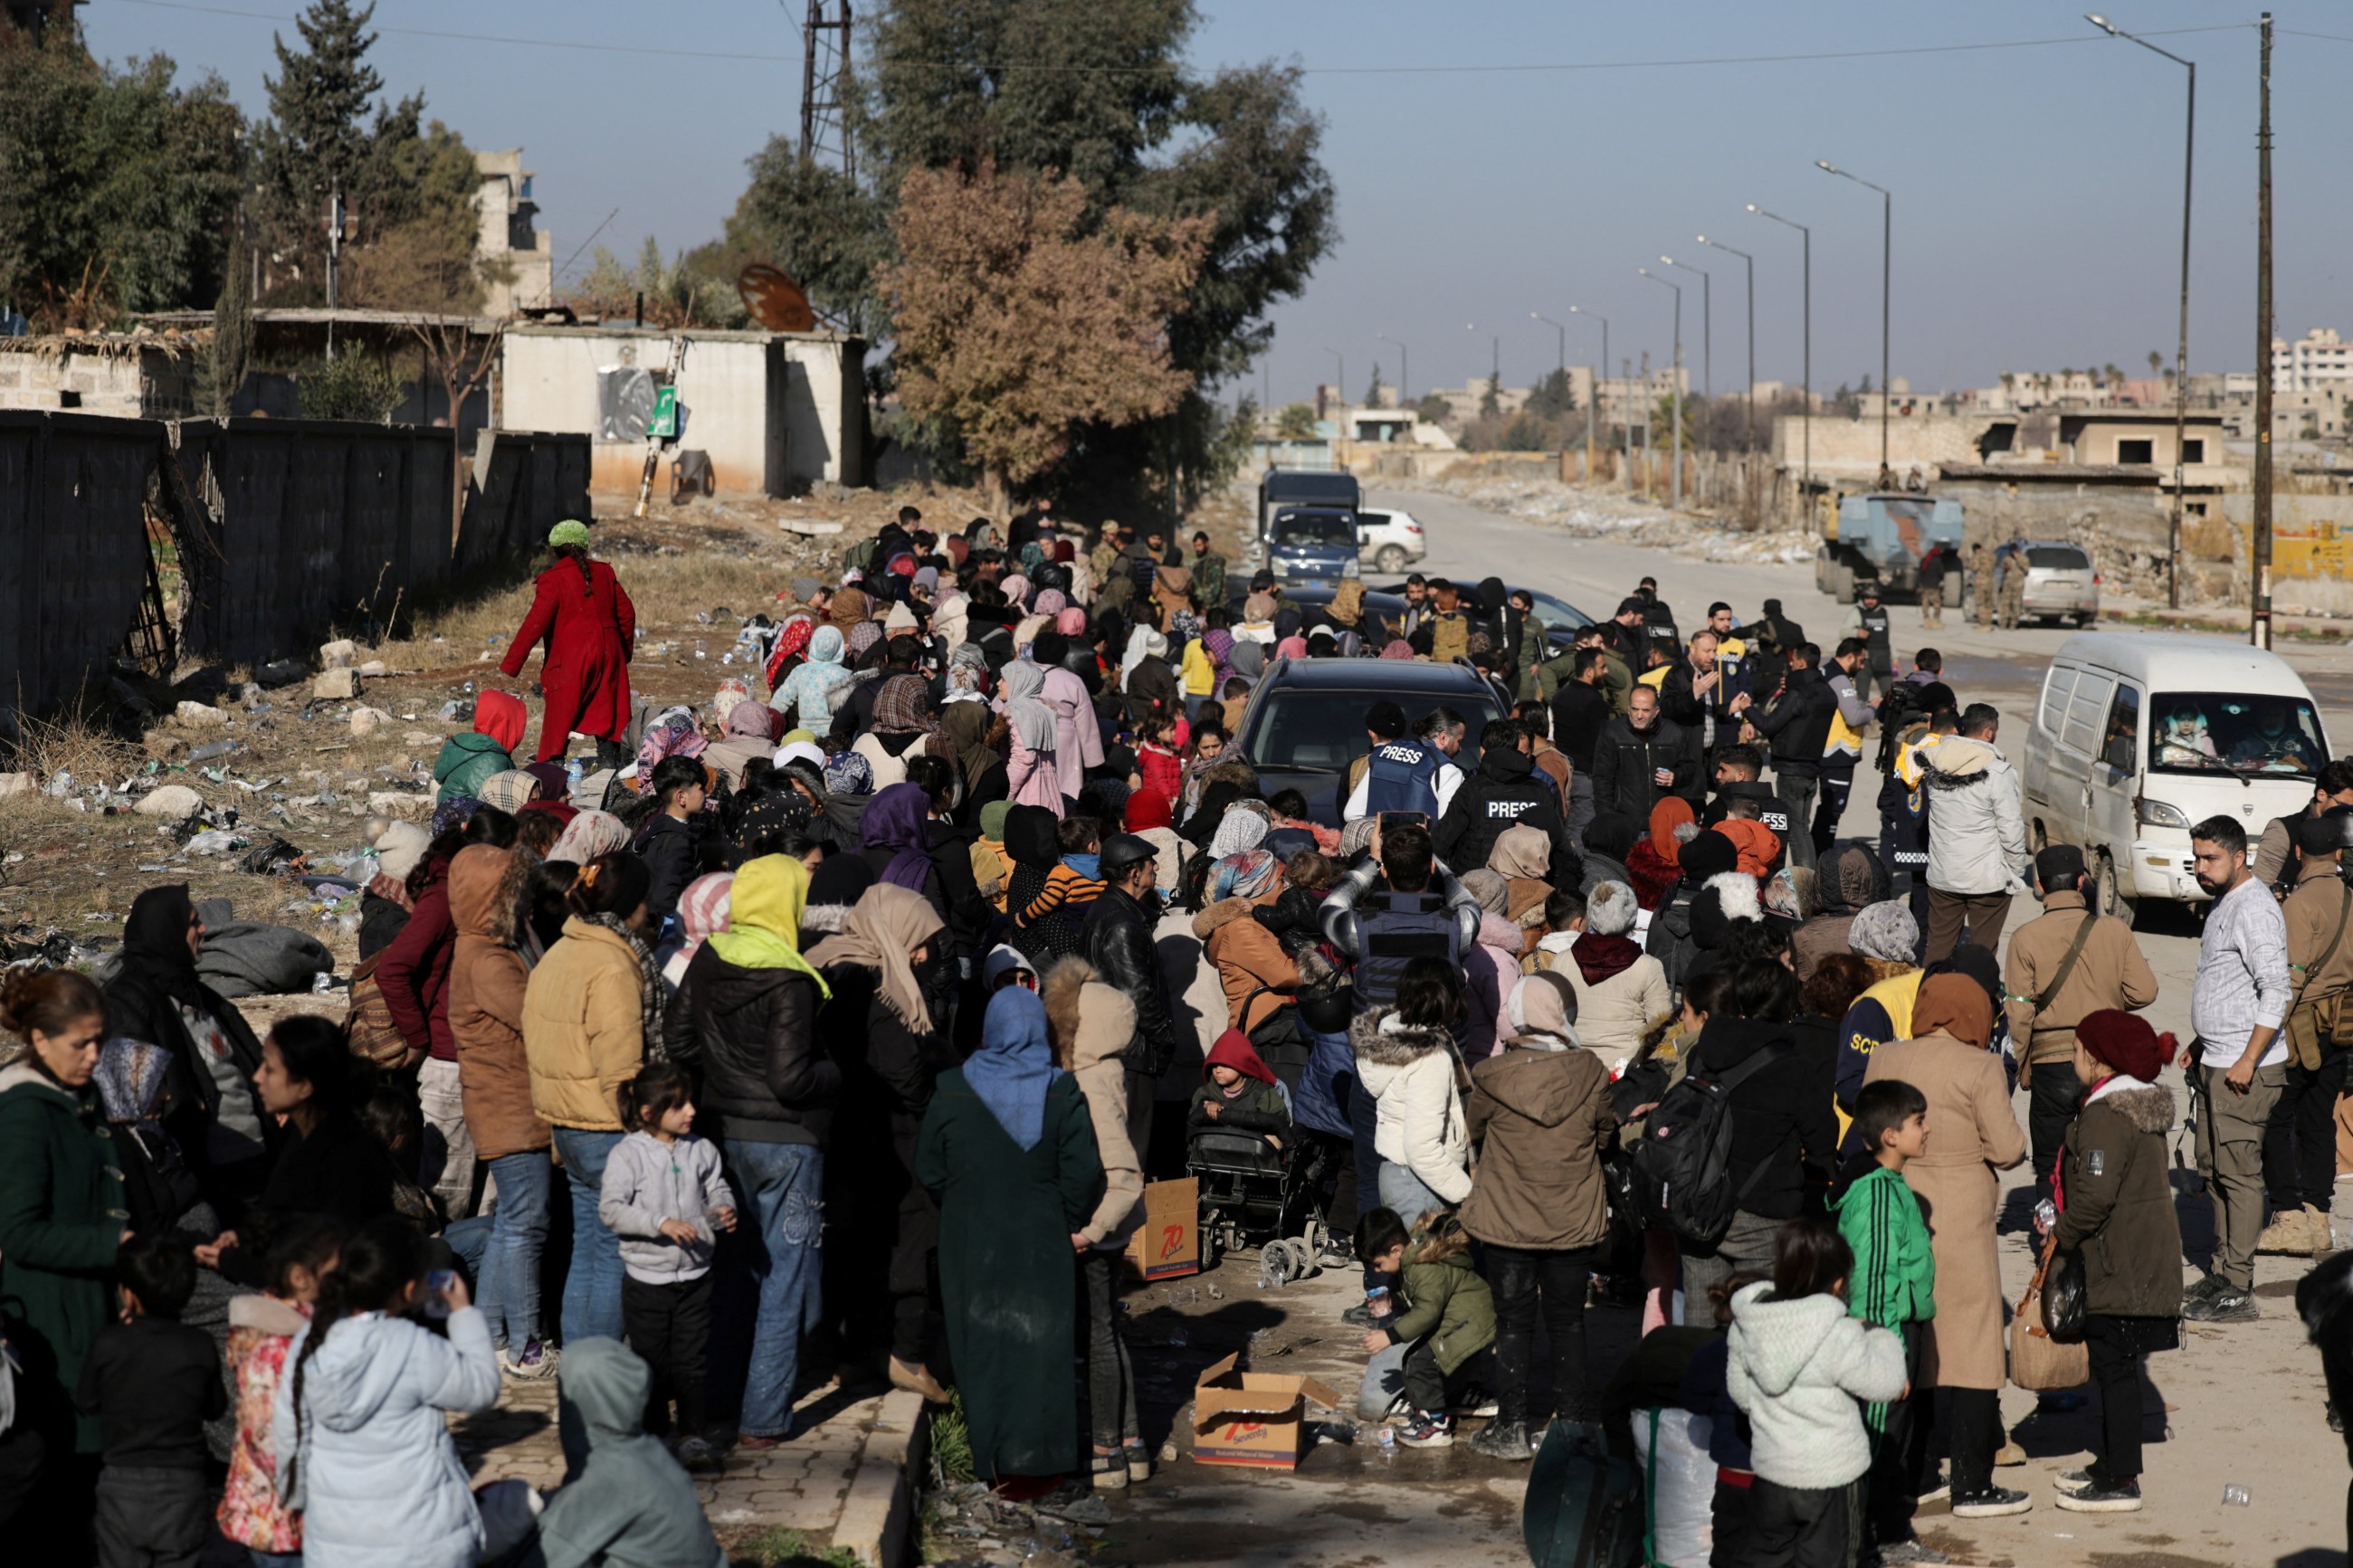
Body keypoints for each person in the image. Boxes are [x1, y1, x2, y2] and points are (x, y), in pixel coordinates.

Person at [663, 854, 834, 1447]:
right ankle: (763, 1417)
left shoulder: (711, 956)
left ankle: (715, 1405)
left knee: (731, 1274)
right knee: (784, 1281)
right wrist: (833, 1075)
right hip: (786, 1143)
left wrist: (715, 1077)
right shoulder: (791, 977)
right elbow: (791, 1079)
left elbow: (677, 1036)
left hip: (721, 1134)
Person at [919, 986, 1104, 1485]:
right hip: (1042, 1238)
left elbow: (929, 1169)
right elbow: (1085, 1173)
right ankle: (1042, 1466)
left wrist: (962, 1205)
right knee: (1041, 1349)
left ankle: (990, 1462)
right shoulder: (1062, 1091)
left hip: (969, 1239)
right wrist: (1065, 1218)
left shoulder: (953, 1087)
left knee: (979, 1345)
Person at [1862, 973, 2030, 1518]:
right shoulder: (1980, 1066)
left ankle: (1917, 1471)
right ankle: (1973, 1482)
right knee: (1974, 1345)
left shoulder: (1885, 1056)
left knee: (1917, 1340)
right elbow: (2007, 1150)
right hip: (1960, 1213)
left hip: (1898, 1204)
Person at [270, 1218, 501, 1568]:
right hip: (420, 1543)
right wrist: (463, 1313)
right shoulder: (413, 1345)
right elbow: (481, 1388)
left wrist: (299, 1500)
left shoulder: (308, 1342)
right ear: (409, 1290)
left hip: (335, 1545)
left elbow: (289, 1435)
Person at [804, 881, 950, 1402]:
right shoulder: (879, 989)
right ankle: (906, 1356)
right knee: (910, 1238)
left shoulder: (826, 960)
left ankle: (854, 1353)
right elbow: (904, 1078)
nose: (923, 954)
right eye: (918, 940)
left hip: (839, 1132)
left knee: (854, 1241)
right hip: (889, 1137)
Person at [1460, 971, 1615, 1460]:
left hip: (1509, 1219)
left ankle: (1511, 1428)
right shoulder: (1589, 1071)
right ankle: (1569, 1426)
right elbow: (1606, 1135)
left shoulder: (1491, 1075)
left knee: (1513, 1323)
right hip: (1572, 1219)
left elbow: (1474, 1130)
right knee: (1569, 1321)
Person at [2038, 1010, 2183, 1516]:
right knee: (2112, 1366)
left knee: (2114, 1368)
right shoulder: (2134, 1106)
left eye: (2077, 1050)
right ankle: (2109, 1465)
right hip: (2140, 1257)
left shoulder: (2105, 1115)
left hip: (2119, 1262)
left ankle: (2122, 1479)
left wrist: (2061, 1233)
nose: (2072, 1059)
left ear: (2096, 1060)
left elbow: (2095, 1196)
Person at [524, 851, 663, 1346]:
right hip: (606, 1129)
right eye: (645, 899)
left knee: (588, 1253)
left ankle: (581, 1379)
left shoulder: (561, 951)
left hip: (568, 1124)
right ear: (631, 903)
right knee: (611, 1259)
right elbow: (622, 1067)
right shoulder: (612, 965)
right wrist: (645, 1135)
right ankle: (601, 1377)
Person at [1728, 1222, 1908, 1568]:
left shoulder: (1748, 1325)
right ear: (1838, 1282)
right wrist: (1878, 1335)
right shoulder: (1839, 1333)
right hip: (1833, 1481)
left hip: (1772, 1476)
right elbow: (1886, 1384)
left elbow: (1742, 1395)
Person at [447, 843, 559, 1380]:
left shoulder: (487, 946)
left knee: (513, 1223)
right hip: (511, 1108)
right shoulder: (488, 958)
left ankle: (490, 1338)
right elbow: (534, 1013)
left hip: (508, 1106)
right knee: (525, 1226)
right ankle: (526, 1345)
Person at [1043, 957, 1151, 1489]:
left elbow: (1123, 1171)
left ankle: (1107, 1449)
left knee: (1100, 1335)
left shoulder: (1089, 1080)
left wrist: (1091, 1231)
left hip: (1096, 1224)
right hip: (1108, 1222)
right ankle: (1131, 1443)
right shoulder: (1106, 1069)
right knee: (1110, 1331)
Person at [103, 884, 272, 1221]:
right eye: (193, 923)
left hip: (253, 1159)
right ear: (168, 933)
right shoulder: (126, 1003)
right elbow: (129, 1104)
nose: (204, 929)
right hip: (208, 1175)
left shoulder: (197, 994)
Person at [2182, 813, 2292, 1324]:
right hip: (2216, 1059)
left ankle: (2240, 1284)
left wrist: (2248, 1059)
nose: (2201, 868)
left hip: (2244, 1070)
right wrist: (2198, 1042)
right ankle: (2223, 1272)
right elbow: (2226, 984)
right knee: (2215, 1169)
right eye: (2198, 858)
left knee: (2240, 1174)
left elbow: (2276, 990)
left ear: (2239, 857)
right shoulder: (2224, 903)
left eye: (2211, 859)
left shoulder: (2255, 909)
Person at [195, 1017, 402, 1288]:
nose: (257, 1077)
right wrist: (245, 1237)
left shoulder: (343, 1157)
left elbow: (317, 1270)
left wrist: (230, 1260)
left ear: (304, 1086)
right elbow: (286, 1219)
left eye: (269, 1069)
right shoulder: (306, 1133)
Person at [1678, 961, 1840, 1307]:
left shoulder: (1703, 1053)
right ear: (1787, 1005)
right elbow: (1823, 1141)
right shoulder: (1794, 1066)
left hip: (1700, 1203)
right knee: (1760, 1328)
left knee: (1700, 1330)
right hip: (1764, 1210)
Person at [2003, 844, 2158, 1205]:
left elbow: (2020, 1014)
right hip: (2105, 1063)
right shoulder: (2114, 930)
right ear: (2082, 881)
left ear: (2039, 886)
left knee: (2050, 1162)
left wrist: (2024, 1066)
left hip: (2051, 1063)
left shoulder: (2025, 938)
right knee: (2103, 1158)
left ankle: (2053, 1240)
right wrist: (2111, 1006)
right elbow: (2146, 991)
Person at [599, 1063, 738, 1468]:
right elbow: (611, 1210)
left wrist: (723, 1209)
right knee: (652, 1362)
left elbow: (717, 1188)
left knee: (692, 1359)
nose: (691, 1111)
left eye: (691, 1102)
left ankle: (693, 1435)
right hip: (647, 1281)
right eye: (678, 1106)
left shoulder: (702, 1149)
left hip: (696, 1276)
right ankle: (656, 1434)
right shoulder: (628, 1155)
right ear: (648, 1113)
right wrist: (660, 1224)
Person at [75, 1234, 224, 1568]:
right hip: (184, 1482)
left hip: (123, 1479)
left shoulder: (110, 1342)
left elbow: (87, 1400)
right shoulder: (198, 1344)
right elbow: (217, 1409)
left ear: (127, 1292)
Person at [1834, 1079, 1937, 1556]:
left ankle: (1889, 1529)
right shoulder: (1875, 1194)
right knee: (1879, 1437)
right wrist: (1886, 1354)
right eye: (1919, 1122)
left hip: (1903, 1332)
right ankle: (1876, 1535)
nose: (1927, 1128)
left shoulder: (1895, 1184)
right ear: (1890, 1135)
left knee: (1898, 1435)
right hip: (1883, 1338)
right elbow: (1873, 1284)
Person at [217, 1215, 344, 1566]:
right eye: (335, 1273)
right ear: (299, 1277)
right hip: (282, 1520)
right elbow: (271, 1442)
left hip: (285, 1513)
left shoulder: (290, 1329)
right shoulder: (277, 1349)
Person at [2262, 811, 2353, 1257]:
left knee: (2277, 1119)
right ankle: (2319, 1215)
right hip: (2342, 1024)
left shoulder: (2300, 904)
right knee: (2320, 1120)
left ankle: (2288, 1216)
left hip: (2301, 1027)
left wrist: (2261, 1036)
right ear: (2338, 853)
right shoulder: (2351, 897)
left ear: (2298, 853)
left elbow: (2291, 979)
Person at [1355, 1205, 1497, 1450]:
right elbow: (1418, 1298)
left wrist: (1389, 1336)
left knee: (1419, 1363)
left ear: (1396, 1251)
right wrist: (1393, 1300)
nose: (1377, 1271)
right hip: (1459, 1323)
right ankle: (1433, 1410)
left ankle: (1436, 1426)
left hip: (1468, 1325)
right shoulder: (1411, 1261)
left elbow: (1427, 1312)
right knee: (1420, 1362)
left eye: (1378, 1264)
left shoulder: (1423, 1266)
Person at [500, 519, 637, 766]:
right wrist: (622, 652)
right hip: (609, 652)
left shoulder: (552, 579)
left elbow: (535, 625)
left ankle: (554, 765)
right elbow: (627, 613)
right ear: (584, 547)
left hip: (571, 658)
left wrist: (512, 664)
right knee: (606, 708)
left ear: (554, 550)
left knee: (560, 713)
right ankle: (609, 763)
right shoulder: (605, 572)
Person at [1083, 834, 1184, 1165]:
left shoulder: (1114, 910)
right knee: (1127, 1158)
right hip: (1129, 1056)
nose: (1155, 868)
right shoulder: (1122, 923)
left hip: (1116, 1052)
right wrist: (1167, 1039)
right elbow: (1137, 995)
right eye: (1149, 863)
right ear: (1133, 873)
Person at [1352, 958, 1472, 1226]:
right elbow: (1421, 1148)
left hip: (1399, 1177)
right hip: (1424, 1185)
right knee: (1428, 1267)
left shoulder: (1392, 1037)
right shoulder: (1430, 1057)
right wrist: (1468, 1194)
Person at [1920, 704, 2028, 963]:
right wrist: (2015, 871)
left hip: (1943, 874)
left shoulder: (1933, 762)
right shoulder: (1997, 773)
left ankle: (1928, 997)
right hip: (1986, 881)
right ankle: (1976, 1000)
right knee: (1981, 954)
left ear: (1961, 729)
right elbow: (2011, 829)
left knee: (1938, 948)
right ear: (1989, 732)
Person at [1558, 880, 1672, 1074]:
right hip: (1623, 1071)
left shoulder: (1562, 961)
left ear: (1591, 915)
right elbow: (1661, 1030)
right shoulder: (1648, 967)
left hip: (1572, 1067)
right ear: (1631, 917)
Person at [1739, 642, 1834, 873]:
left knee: (1795, 829)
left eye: (1793, 662)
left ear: (1800, 662)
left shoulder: (1798, 695)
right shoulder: (1827, 692)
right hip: (1812, 769)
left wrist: (1747, 708)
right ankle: (1811, 879)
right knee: (1803, 827)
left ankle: (1806, 883)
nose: (1791, 665)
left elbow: (1769, 725)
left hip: (1792, 770)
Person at [1434, 718, 1566, 875]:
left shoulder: (1472, 789)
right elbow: (1560, 848)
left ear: (1483, 752)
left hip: (1476, 889)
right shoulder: (1541, 790)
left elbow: (1440, 843)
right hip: (1528, 889)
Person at [1590, 684, 1699, 822]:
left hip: (1662, 820)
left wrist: (1675, 776)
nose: (1639, 715)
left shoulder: (1674, 733)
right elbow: (1602, 779)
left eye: (1646, 710)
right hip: (1625, 820)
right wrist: (1606, 817)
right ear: (1628, 709)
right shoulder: (1612, 732)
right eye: (1635, 709)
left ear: (1656, 711)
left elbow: (1689, 767)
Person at [1187, 1031, 1292, 1150]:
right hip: (1216, 1152)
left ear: (1242, 1066)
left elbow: (1278, 1122)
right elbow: (1195, 1114)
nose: (1218, 1070)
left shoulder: (1261, 1093)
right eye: (1215, 1065)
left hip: (1252, 1153)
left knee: (1274, 1141)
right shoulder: (1206, 1092)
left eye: (1225, 1065)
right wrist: (1207, 1106)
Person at [434, 689, 527, 803]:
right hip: (468, 819)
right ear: (507, 723)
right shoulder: (489, 760)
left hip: (453, 817)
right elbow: (497, 805)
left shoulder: (478, 748)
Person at [1838, 583, 1894, 705]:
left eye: (1873, 598)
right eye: (1867, 598)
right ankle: (1862, 721)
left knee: (1889, 694)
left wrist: (1895, 658)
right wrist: (1856, 632)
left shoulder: (1884, 613)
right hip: (1864, 661)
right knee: (1861, 695)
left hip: (1883, 658)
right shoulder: (1856, 612)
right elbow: (1843, 633)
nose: (1870, 601)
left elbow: (1890, 637)